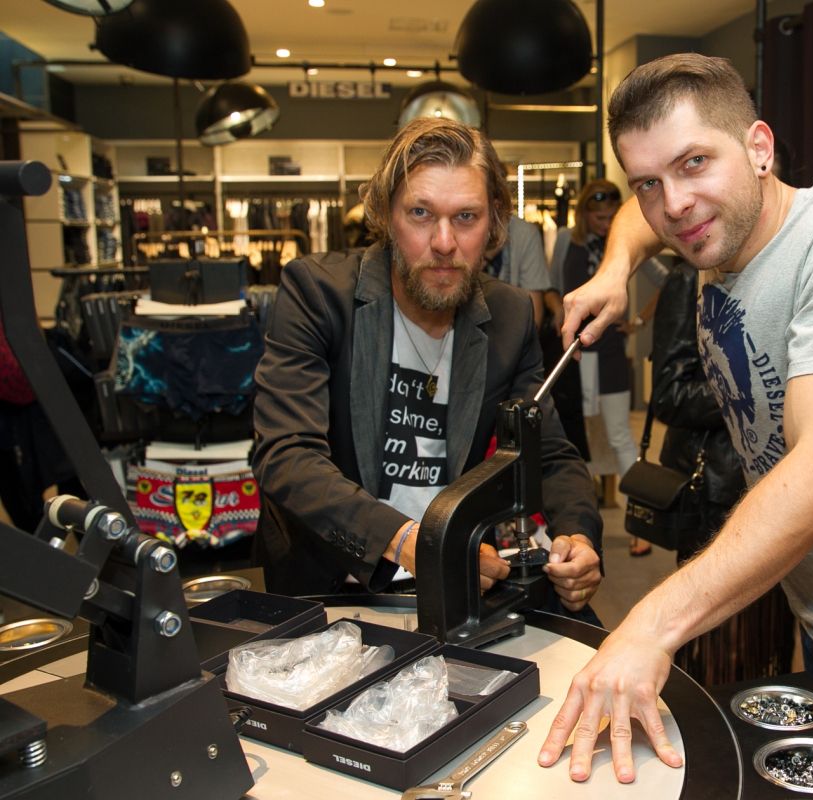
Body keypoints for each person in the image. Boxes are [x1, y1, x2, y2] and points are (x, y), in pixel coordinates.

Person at [537, 53, 813, 800]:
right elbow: (641, 218)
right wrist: (615, 269)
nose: (674, 204)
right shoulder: (711, 227)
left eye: (695, 163)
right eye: (648, 181)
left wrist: (650, 625)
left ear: (759, 147)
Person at [251, 117, 602, 618]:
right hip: (335, 581)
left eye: (466, 217)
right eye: (420, 213)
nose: (443, 242)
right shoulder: (318, 293)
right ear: (385, 215)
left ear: (493, 223)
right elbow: (287, 455)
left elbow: (545, 451)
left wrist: (579, 538)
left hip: (462, 583)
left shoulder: (509, 315)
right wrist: (412, 543)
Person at [651, 263, 793, 686]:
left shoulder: (783, 271)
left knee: (767, 642)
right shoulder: (688, 279)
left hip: (781, 486)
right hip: (714, 492)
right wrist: (757, 393)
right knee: (716, 650)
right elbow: (669, 395)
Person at [550, 179, 645, 556]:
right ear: (585, 214)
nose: (606, 224)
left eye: (611, 217)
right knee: (579, 438)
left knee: (620, 435)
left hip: (610, 356)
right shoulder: (566, 241)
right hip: (577, 354)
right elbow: (555, 287)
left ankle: (639, 521)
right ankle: (581, 526)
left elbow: (666, 278)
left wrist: (637, 321)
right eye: (599, 217)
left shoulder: (624, 245)